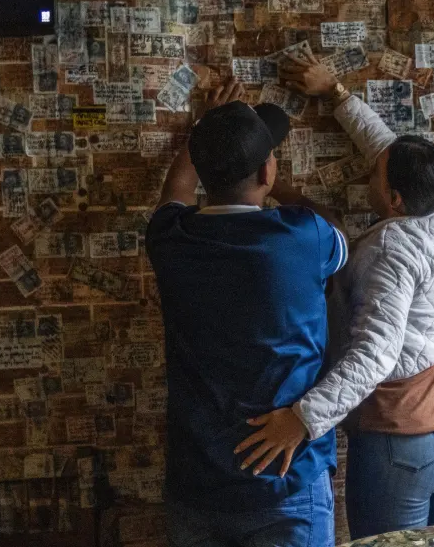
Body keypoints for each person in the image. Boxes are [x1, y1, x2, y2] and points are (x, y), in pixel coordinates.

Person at [236, 52, 434, 539]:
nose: (370, 173)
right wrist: (335, 93)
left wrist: (303, 420)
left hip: (408, 444)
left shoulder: (391, 250)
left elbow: (375, 354)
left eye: (375, 176)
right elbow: (389, 150)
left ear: (393, 201)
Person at [146, 78, 348, 547]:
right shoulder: (305, 237)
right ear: (266, 172)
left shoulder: (170, 238)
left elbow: (175, 188)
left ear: (202, 169)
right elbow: (335, 228)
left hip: (197, 483)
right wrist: (284, 188)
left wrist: (206, 128)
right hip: (286, 486)